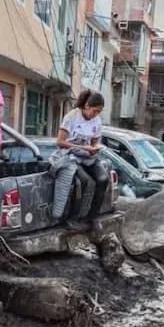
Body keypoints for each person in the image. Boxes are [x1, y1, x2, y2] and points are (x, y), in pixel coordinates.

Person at [51, 89, 111, 230]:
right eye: (95, 111)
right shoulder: (72, 117)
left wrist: (95, 147)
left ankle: (93, 217)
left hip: (87, 156)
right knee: (82, 181)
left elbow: (95, 141)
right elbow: (60, 142)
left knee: (103, 179)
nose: (96, 115)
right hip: (70, 155)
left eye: (99, 112)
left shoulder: (97, 121)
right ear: (87, 106)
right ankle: (73, 218)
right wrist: (82, 148)